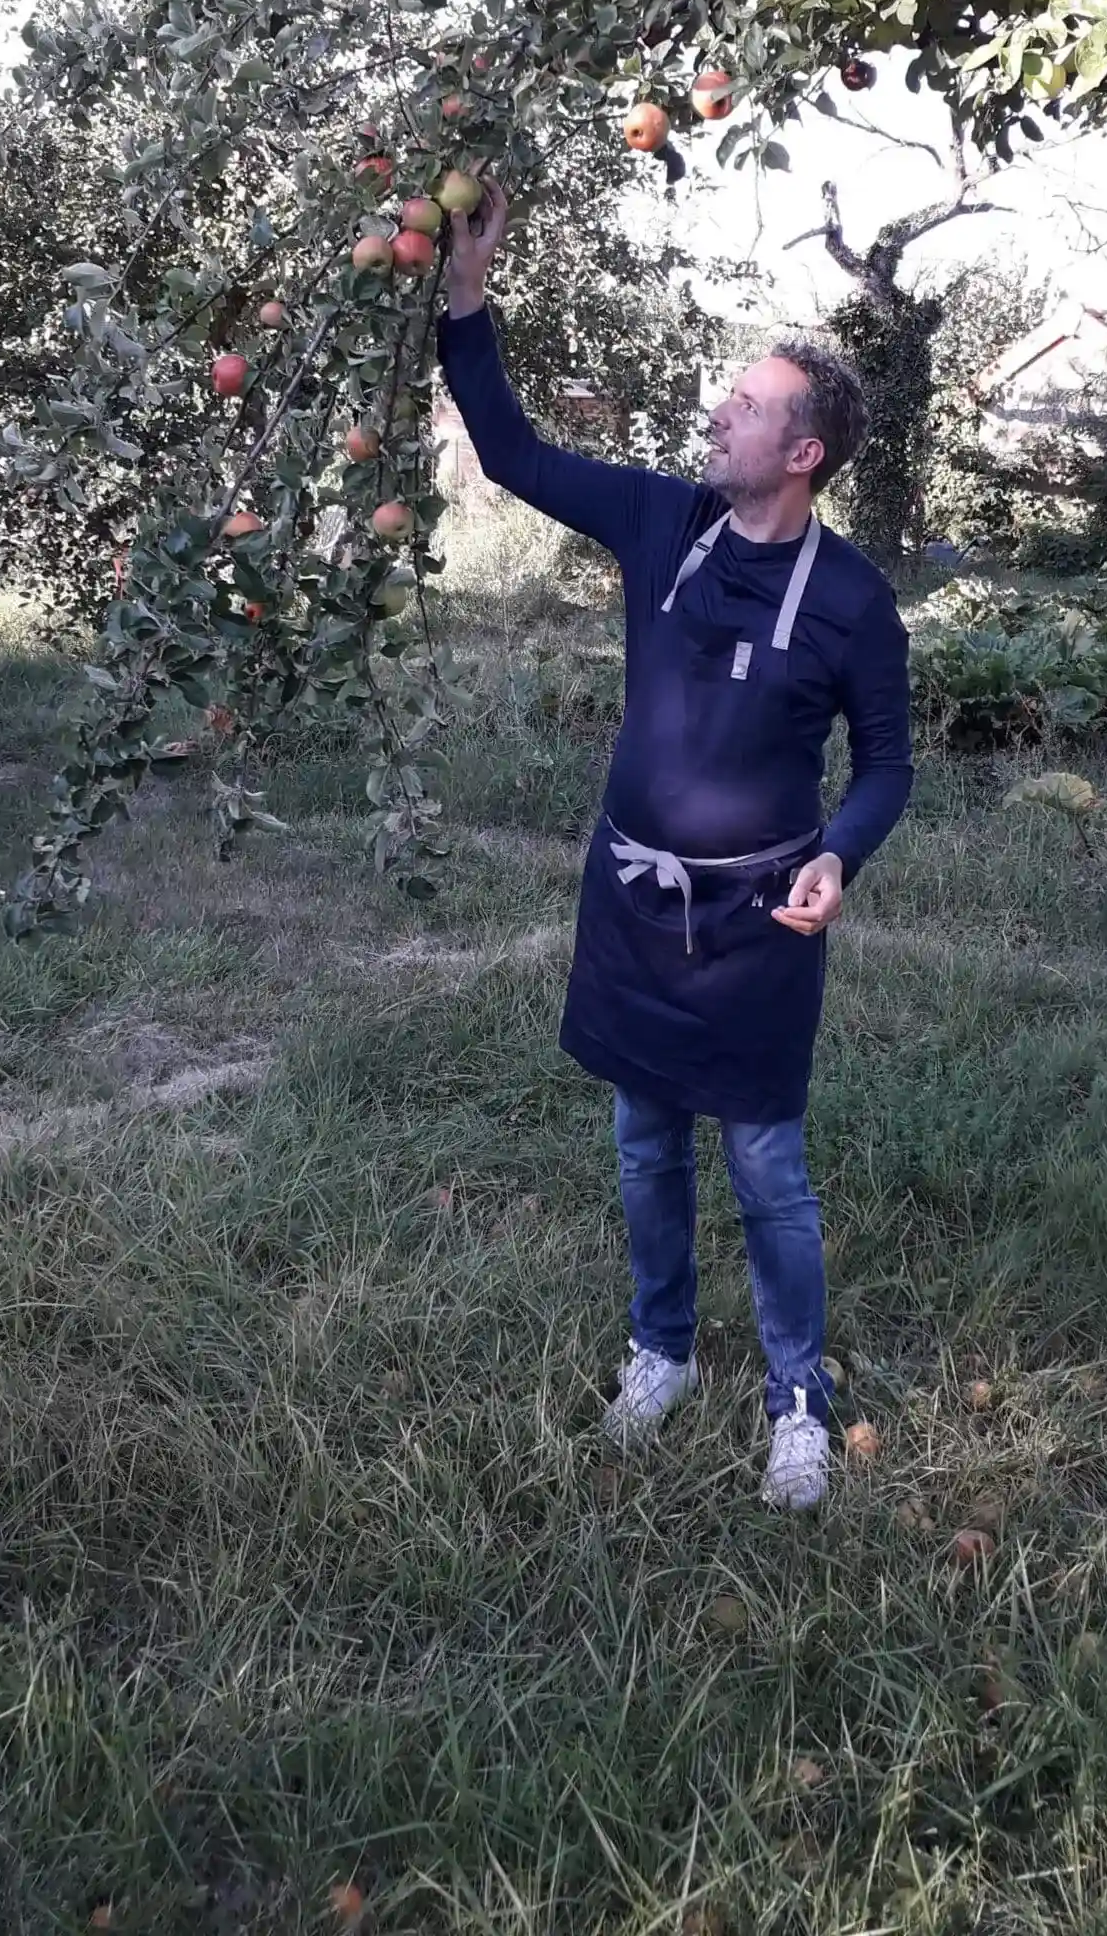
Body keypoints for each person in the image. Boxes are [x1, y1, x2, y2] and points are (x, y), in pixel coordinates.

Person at [438, 182, 914, 1509]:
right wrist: (467, 303)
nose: (718, 414)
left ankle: (796, 1395)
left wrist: (842, 855)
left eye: (746, 406)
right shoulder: (662, 525)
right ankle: (662, 1349)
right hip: (634, 908)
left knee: (766, 1168)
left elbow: (887, 767)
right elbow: (513, 456)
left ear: (805, 452)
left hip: (762, 925)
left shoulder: (855, 603)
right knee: (645, 1141)